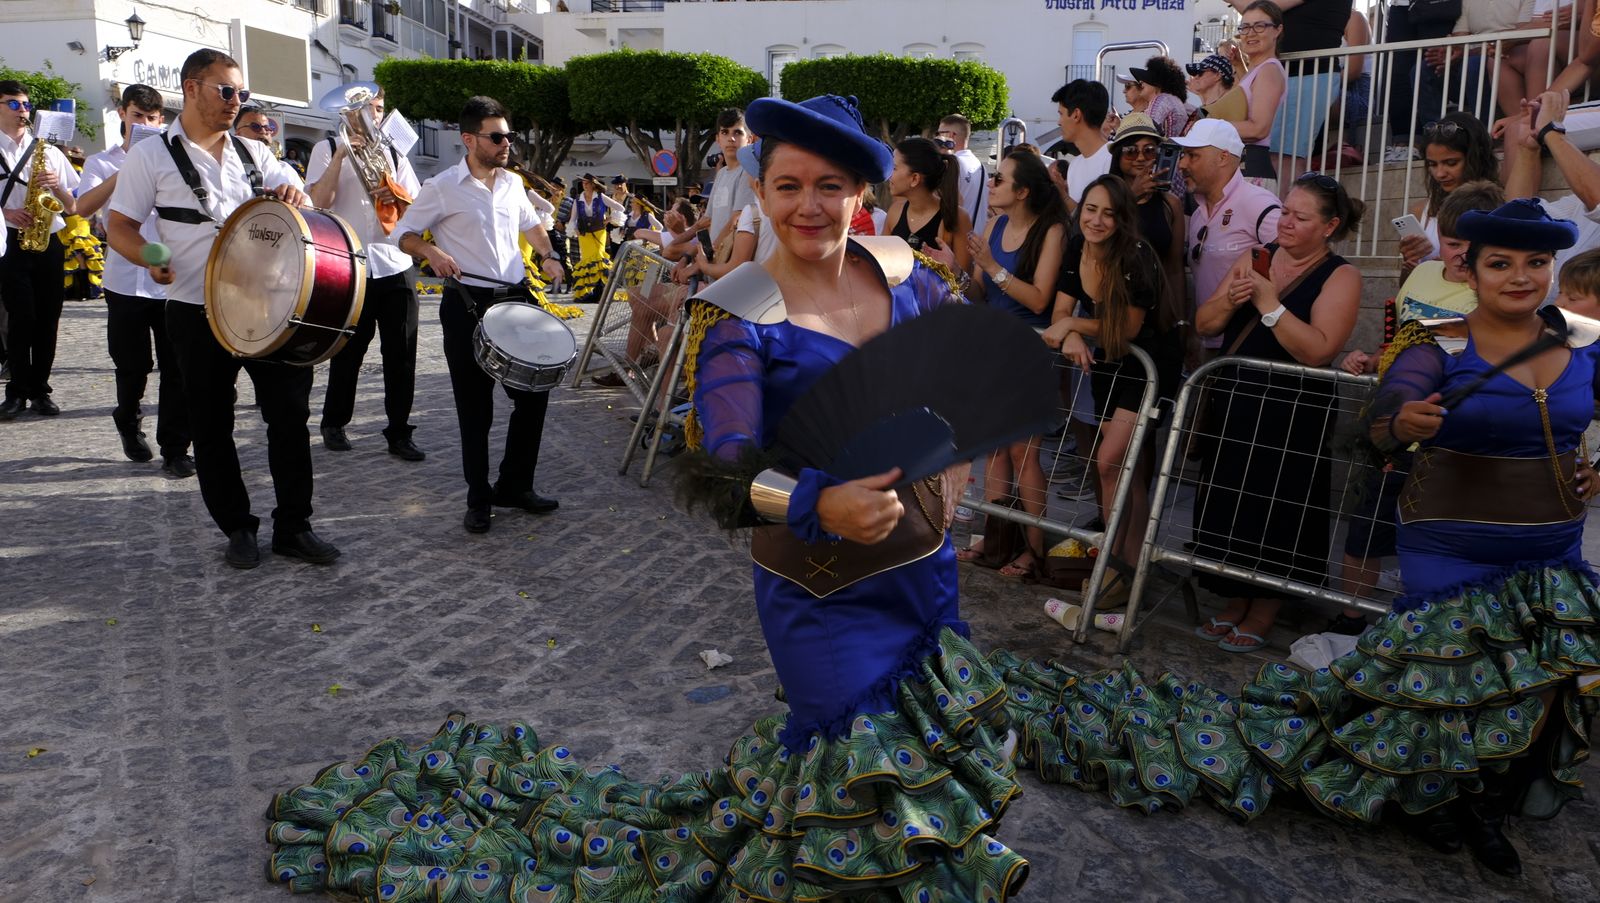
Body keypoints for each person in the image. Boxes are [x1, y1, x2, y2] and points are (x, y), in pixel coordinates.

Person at [266, 92, 1038, 901]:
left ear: (863, 194)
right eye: (787, 186)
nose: (810, 206)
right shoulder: (740, 311)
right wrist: (820, 503)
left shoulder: (907, 273)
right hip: (820, 592)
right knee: (853, 777)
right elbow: (720, 467)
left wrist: (954, 451)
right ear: (761, 191)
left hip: (922, 572)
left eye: (832, 185)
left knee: (923, 759)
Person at [106, 48, 334, 570]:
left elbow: (306, 205)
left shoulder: (254, 153)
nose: (236, 102)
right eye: (226, 91)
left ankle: (295, 526)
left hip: (270, 306)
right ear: (191, 88)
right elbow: (119, 226)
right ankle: (237, 528)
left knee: (290, 419)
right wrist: (151, 259)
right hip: (194, 308)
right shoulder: (151, 155)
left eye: (241, 94)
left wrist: (295, 196)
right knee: (211, 425)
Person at [1191, 172, 1364, 653]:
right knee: (1230, 494)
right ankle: (1232, 595)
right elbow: (1205, 323)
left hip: (1295, 408)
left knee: (1280, 501)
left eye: (1299, 217)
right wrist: (1228, 301)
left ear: (1329, 227)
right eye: (1284, 211)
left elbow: (1319, 350)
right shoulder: (1257, 256)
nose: (1284, 222)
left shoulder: (1341, 276)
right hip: (1239, 397)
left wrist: (1269, 306)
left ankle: (1267, 605)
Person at [1333, 181, 1503, 635]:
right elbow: (1402, 339)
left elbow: (1469, 360)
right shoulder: (1424, 274)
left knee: (1428, 548)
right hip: (1389, 436)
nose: (1460, 254)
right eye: (1451, 242)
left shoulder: (1498, 297)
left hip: (1445, 447)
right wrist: (1372, 357)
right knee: (1363, 532)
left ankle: (1425, 635)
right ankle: (1348, 623)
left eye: (1473, 245)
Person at [394, 95, 565, 535]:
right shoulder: (442, 186)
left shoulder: (511, 183)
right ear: (469, 140)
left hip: (515, 299)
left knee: (533, 396)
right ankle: (478, 497)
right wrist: (430, 249)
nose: (506, 142)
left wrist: (548, 254)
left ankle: (515, 485)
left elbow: (532, 225)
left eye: (508, 135)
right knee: (475, 408)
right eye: (496, 136)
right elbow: (403, 234)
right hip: (467, 304)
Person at [1044, 174, 1181, 608]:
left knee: (1108, 463)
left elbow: (1128, 328)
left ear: (1122, 219)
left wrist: (1072, 326)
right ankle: (1124, 560)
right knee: (1122, 470)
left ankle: (1121, 561)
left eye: (1108, 213)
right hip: (1109, 363)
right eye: (1090, 209)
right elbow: (1060, 309)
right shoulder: (1074, 245)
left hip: (1149, 364)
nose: (1097, 220)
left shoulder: (1135, 256)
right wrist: (1068, 333)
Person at [74, 83, 194, 476]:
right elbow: (83, 206)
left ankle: (175, 448)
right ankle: (127, 418)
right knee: (132, 365)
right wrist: (130, 169)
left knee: (176, 365)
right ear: (123, 115)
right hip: (126, 277)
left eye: (153, 118)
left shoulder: (173, 158)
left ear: (162, 121)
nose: (145, 122)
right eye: (138, 116)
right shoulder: (101, 162)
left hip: (171, 278)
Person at [958, 150, 1068, 577]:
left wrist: (990, 266)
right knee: (998, 450)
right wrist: (958, 271)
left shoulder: (1052, 231)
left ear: (1022, 191)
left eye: (1000, 179)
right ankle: (998, 539)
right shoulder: (994, 225)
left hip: (1032, 350)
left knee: (1025, 452)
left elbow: (1040, 298)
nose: (993, 183)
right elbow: (981, 294)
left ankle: (1033, 550)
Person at [305, 86, 426, 462]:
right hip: (351, 265)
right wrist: (342, 155)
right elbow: (316, 202)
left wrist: (397, 195)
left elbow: (417, 208)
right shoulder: (325, 149)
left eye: (378, 109)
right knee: (347, 351)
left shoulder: (393, 152)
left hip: (394, 264)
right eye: (369, 109)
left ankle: (399, 431)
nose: (374, 116)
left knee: (401, 354)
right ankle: (334, 423)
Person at [0, 78, 81, 421]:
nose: (23, 111)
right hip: (9, 241)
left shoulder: (48, 150)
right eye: (14, 104)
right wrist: (4, 212)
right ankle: (17, 390)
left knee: (48, 320)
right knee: (21, 319)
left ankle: (40, 390)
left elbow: (73, 206)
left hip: (48, 239)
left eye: (26, 105)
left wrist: (56, 185)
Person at [1175, 119, 1281, 357]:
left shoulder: (1257, 203)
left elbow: (1294, 262)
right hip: (1211, 345)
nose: (1182, 164)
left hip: (1249, 349)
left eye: (1193, 155)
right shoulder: (1200, 213)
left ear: (1223, 158)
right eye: (1183, 155)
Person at [1503, 89, 1600, 297]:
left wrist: (1551, 131)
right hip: (1553, 324)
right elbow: (1518, 220)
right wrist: (1528, 149)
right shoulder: (1577, 203)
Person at [1106, 113, 1186, 332]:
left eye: (1149, 150)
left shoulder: (1171, 204)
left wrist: (1181, 321)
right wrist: (1132, 196)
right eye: (1131, 151)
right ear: (1118, 157)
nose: (1140, 157)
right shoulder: (1104, 198)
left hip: (1159, 315)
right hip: (1114, 311)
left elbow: (1175, 269)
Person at [1399, 112, 1498, 278]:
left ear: (1475, 158)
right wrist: (1409, 263)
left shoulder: (1497, 209)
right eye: (1432, 164)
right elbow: (1405, 285)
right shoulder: (1421, 212)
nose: (1439, 174)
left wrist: (1447, 271)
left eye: (1451, 163)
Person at [884, 135, 972, 271]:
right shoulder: (895, 212)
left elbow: (966, 286)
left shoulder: (956, 217)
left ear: (914, 178)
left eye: (894, 168)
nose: (889, 174)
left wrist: (954, 270)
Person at [1229, 0, 1289, 191]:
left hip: (1251, 171)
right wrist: (1240, 67)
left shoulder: (1269, 70)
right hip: (1241, 168)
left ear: (1277, 30)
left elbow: (1258, 129)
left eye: (1260, 26)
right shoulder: (1258, 69)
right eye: (1245, 27)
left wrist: (1210, 125)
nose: (1251, 33)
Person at [1051, 79, 1112, 212]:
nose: (1059, 122)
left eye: (1061, 114)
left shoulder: (1111, 158)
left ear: (1076, 115)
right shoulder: (1074, 165)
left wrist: (1062, 194)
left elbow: (1101, 219)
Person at [566, 173, 621, 303]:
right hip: (584, 235)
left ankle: (600, 290)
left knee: (598, 259)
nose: (584, 185)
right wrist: (575, 229)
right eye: (583, 183)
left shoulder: (601, 197)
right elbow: (573, 219)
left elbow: (620, 208)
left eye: (587, 183)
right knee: (586, 261)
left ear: (593, 185)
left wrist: (609, 219)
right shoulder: (578, 199)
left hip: (599, 232)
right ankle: (585, 292)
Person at [938, 112, 990, 234]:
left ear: (950, 135)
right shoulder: (981, 166)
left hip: (956, 240)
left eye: (939, 133)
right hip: (978, 240)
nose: (937, 138)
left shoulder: (951, 164)